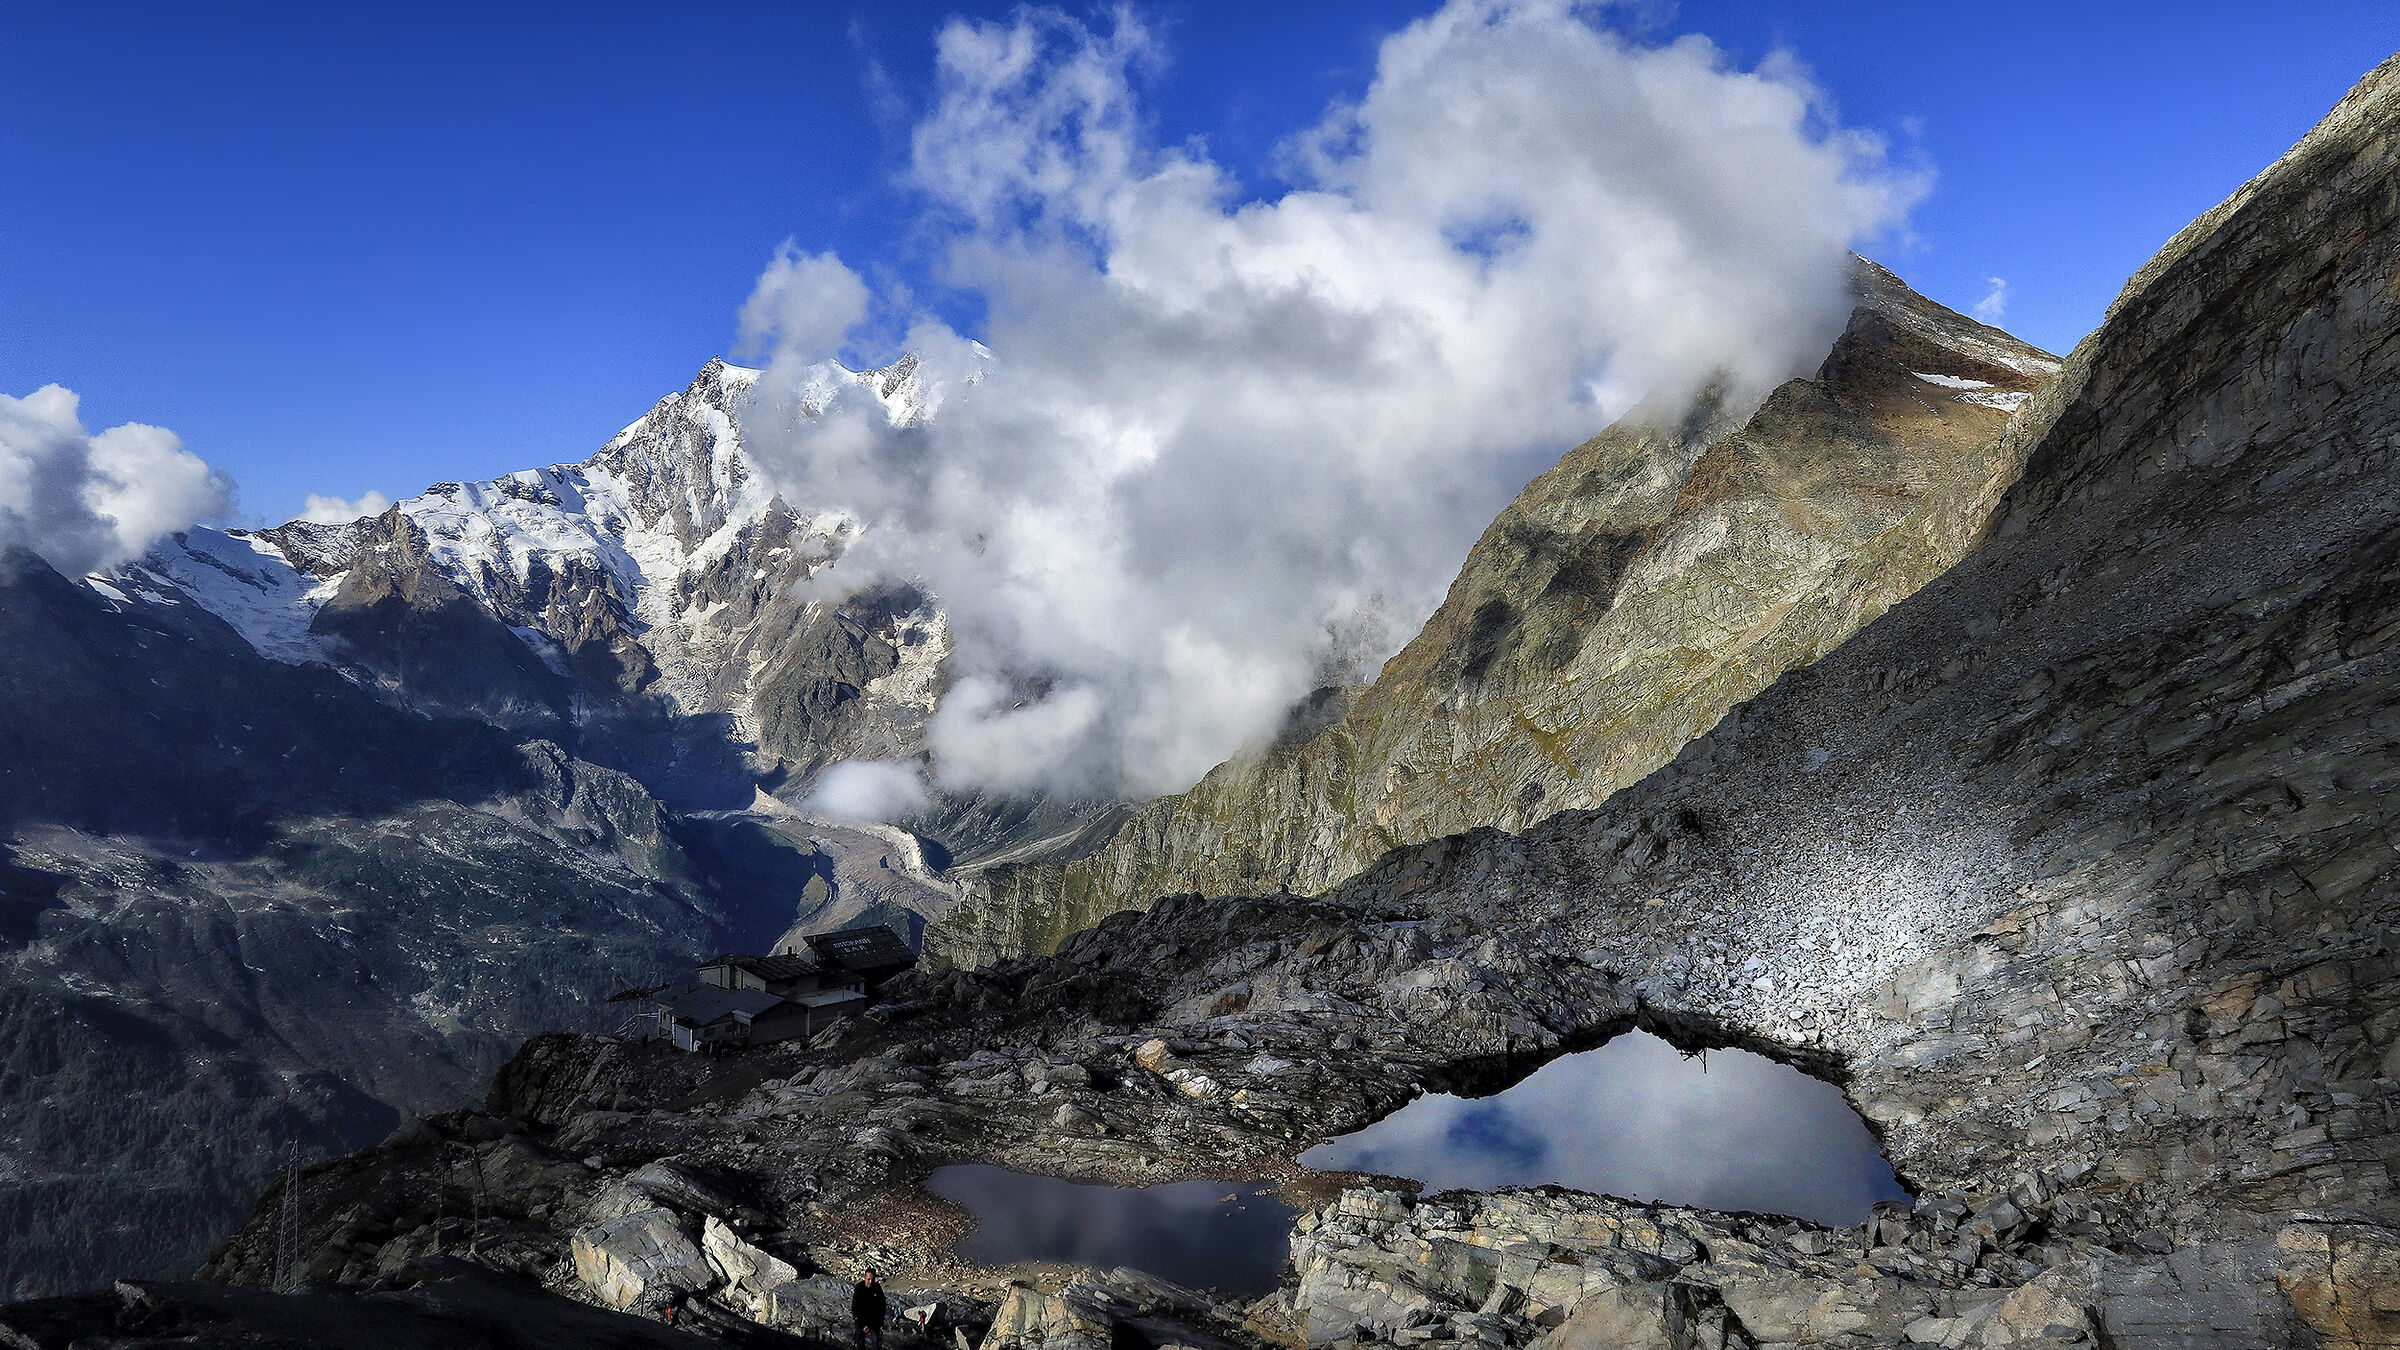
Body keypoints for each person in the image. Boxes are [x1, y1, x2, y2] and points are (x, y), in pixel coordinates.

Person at [852, 1270, 888, 1350]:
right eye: (868, 1279)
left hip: (874, 1322)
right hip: (861, 1321)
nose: (870, 1282)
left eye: (873, 1279)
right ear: (865, 1278)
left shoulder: (877, 1288)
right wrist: (861, 1323)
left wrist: (874, 1323)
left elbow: (881, 1307)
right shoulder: (859, 1289)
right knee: (860, 1344)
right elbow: (855, 1307)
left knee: (876, 1344)